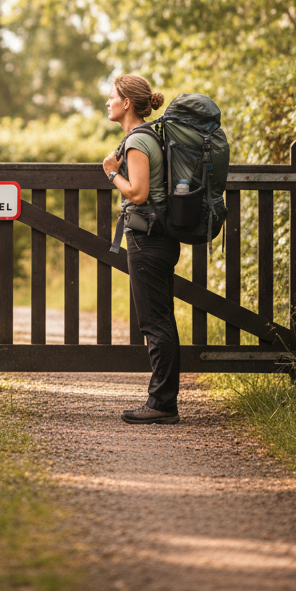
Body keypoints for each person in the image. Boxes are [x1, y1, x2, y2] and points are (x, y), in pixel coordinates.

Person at [102, 73, 182, 425]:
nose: (108, 102)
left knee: (154, 322)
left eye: (112, 97)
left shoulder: (137, 141)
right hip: (160, 237)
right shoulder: (151, 135)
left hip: (147, 238)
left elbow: (137, 192)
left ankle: (162, 404)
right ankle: (163, 400)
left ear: (127, 104)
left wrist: (110, 173)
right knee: (161, 318)